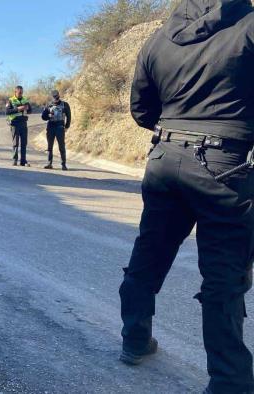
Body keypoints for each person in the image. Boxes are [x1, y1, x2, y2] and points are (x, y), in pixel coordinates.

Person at [118, 1, 254, 393]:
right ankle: (230, 381)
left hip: (165, 157)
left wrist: (178, 124)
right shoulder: (249, 27)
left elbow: (141, 109)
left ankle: (135, 339)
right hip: (225, 164)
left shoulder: (158, 39)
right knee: (224, 276)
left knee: (149, 252)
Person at [41, 90, 71, 170]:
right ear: (52, 97)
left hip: (60, 126)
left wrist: (67, 126)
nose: (56, 99)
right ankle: (49, 163)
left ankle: (63, 164)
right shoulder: (48, 105)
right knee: (49, 146)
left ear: (59, 96)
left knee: (61, 146)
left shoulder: (65, 105)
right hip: (51, 126)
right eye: (54, 97)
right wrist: (48, 115)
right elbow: (43, 117)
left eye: (57, 97)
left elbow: (69, 116)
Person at [5, 86, 32, 166]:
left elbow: (30, 111)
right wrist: (18, 109)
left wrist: (27, 109)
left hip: (23, 123)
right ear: (15, 92)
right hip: (15, 123)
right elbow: (7, 112)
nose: (21, 94)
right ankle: (15, 160)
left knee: (24, 143)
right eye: (19, 93)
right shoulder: (10, 100)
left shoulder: (25, 100)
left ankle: (23, 161)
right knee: (16, 143)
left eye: (22, 93)